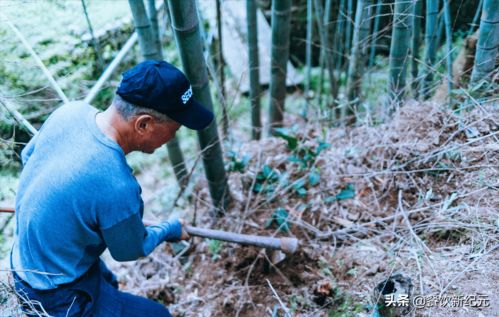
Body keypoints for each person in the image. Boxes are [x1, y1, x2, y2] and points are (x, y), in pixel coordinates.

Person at [10, 60, 214, 316]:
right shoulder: (117, 185)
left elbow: (28, 156)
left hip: (24, 262)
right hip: (54, 295)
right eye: (175, 129)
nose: (174, 137)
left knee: (108, 282)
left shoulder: (70, 112)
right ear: (144, 124)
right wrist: (170, 229)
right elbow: (130, 250)